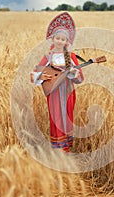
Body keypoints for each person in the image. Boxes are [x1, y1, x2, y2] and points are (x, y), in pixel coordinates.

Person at [30, 12, 84, 153]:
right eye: (57, 38)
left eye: (63, 39)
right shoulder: (48, 56)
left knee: (67, 117)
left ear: (67, 42)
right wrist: (42, 77)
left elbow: (80, 78)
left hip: (67, 92)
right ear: (52, 39)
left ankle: (65, 148)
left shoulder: (71, 57)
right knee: (55, 118)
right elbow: (37, 74)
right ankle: (58, 149)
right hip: (53, 93)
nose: (60, 41)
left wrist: (73, 74)